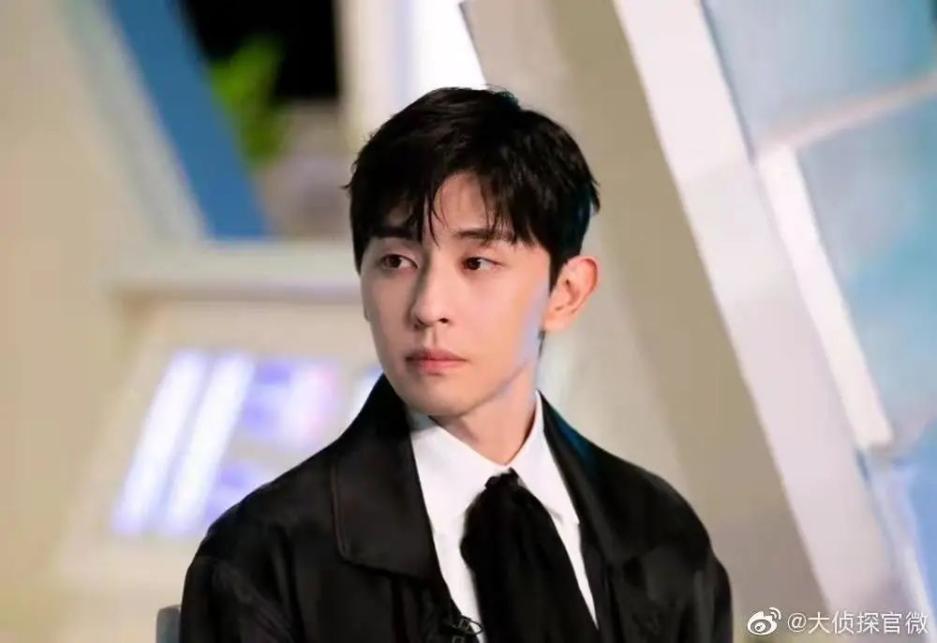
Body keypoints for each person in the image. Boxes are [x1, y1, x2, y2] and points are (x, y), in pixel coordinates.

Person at [179, 86, 732, 642]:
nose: (428, 307)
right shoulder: (267, 557)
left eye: (477, 262)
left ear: (565, 293)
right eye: (396, 261)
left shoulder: (658, 531)